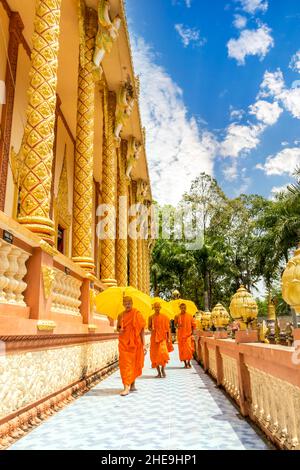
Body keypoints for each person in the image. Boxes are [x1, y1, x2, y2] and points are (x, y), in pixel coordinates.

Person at [117, 296, 146, 396]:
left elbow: (142, 329)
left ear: (132, 303)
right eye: (125, 302)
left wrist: (144, 343)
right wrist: (119, 330)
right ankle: (126, 386)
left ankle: (132, 384)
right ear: (123, 304)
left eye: (129, 302)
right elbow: (118, 328)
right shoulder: (120, 315)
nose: (127, 304)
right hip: (124, 343)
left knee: (133, 363)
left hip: (135, 343)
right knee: (125, 364)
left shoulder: (137, 313)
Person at [148, 302, 171, 378]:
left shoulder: (164, 317)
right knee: (155, 356)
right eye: (155, 307)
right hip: (154, 338)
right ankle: (158, 372)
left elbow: (167, 329)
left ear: (160, 308)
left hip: (162, 338)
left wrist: (168, 338)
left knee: (163, 354)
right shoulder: (151, 317)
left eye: (158, 307)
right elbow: (149, 327)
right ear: (153, 308)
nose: (157, 308)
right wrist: (152, 329)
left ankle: (163, 369)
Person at [177, 303, 196, 369]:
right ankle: (185, 363)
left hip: (188, 336)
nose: (183, 309)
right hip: (180, 336)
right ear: (180, 308)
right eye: (182, 308)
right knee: (182, 350)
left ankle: (188, 362)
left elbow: (194, 326)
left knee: (189, 350)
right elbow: (175, 325)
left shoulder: (190, 316)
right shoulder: (177, 316)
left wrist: (193, 334)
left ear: (186, 308)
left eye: (184, 308)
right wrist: (178, 326)